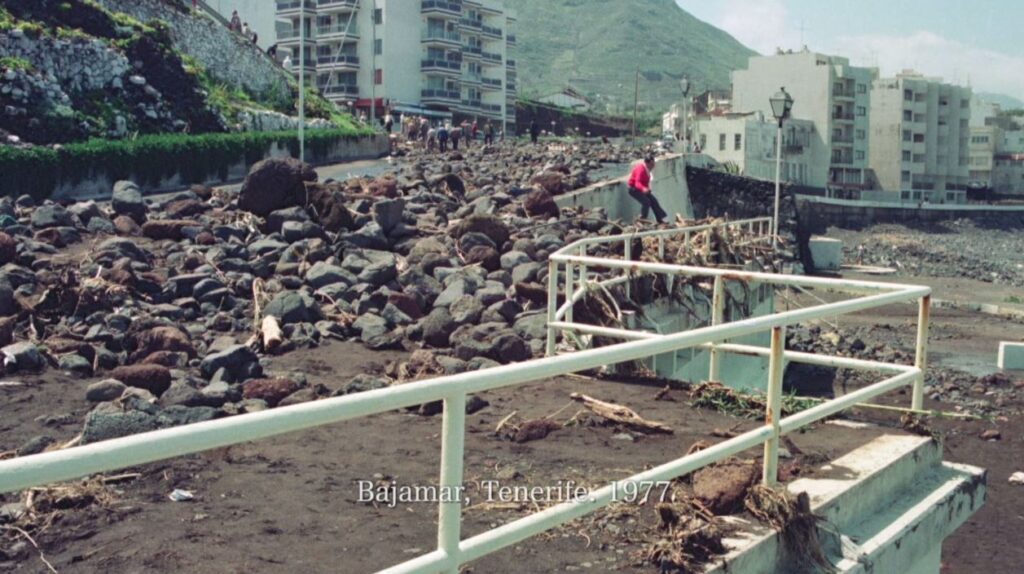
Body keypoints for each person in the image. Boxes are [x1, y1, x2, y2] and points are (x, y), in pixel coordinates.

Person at [627, 155, 667, 224]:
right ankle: (642, 218)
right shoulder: (641, 169)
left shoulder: (647, 170)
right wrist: (643, 189)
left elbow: (644, 182)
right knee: (646, 202)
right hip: (633, 189)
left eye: (653, 164)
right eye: (651, 164)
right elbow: (637, 183)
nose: (653, 166)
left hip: (640, 189)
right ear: (647, 163)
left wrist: (647, 189)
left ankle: (659, 219)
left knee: (654, 201)